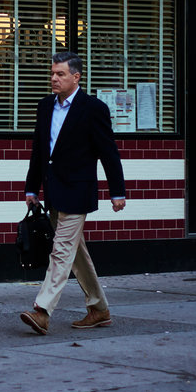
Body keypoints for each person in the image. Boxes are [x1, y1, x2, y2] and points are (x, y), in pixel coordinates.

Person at [20, 53, 127, 336]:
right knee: (76, 255)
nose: (54, 78)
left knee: (61, 252)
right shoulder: (45, 107)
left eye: (61, 74)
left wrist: (117, 191)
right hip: (54, 191)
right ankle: (99, 309)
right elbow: (39, 151)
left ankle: (42, 311)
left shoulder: (93, 109)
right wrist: (32, 188)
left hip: (78, 192)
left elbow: (108, 152)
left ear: (76, 77)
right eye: (53, 73)